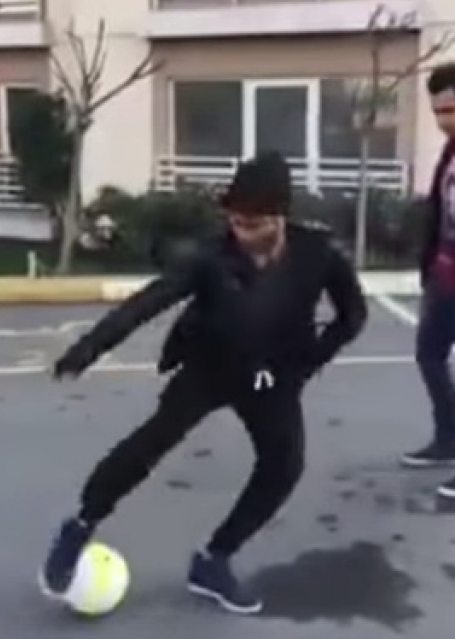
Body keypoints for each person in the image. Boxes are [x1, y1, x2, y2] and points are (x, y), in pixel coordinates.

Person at [40, 151, 367, 615]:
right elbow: (149, 302)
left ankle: (214, 560)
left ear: (280, 216)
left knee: (284, 467)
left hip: (272, 376)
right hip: (209, 366)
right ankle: (79, 525)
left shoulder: (318, 254)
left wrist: (308, 363)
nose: (242, 232)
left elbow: (352, 316)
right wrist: (88, 349)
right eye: (235, 221)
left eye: (253, 224)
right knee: (150, 443)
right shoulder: (211, 257)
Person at [401, 63, 455, 501]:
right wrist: (428, 266)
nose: (444, 120)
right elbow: (438, 214)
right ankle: (448, 437)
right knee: (429, 355)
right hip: (444, 278)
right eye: (438, 111)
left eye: (452, 109)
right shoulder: (450, 154)